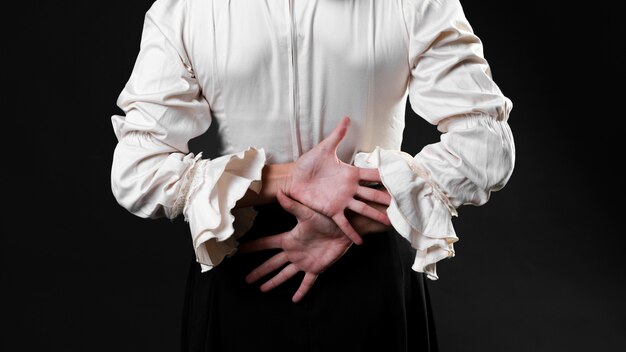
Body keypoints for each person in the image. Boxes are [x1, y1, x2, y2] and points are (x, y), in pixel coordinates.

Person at [110, 0, 515, 351]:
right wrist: (289, 180)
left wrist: (350, 219)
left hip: (369, 259)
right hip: (241, 259)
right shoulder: (186, 9)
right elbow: (136, 170)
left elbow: (486, 144)